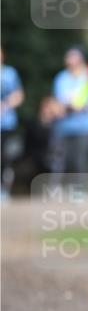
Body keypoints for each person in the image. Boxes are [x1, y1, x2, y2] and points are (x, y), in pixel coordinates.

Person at [51, 46, 88, 182]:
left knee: (81, 158)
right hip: (65, 126)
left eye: (73, 56)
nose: (70, 60)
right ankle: (67, 187)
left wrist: (82, 106)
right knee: (67, 159)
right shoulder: (61, 78)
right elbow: (58, 100)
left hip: (86, 125)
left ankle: (81, 188)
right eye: (68, 56)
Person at [0, 47, 25, 199]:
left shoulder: (10, 73)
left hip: (6, 124)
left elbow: (19, 95)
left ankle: (3, 189)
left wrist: (6, 104)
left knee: (4, 157)